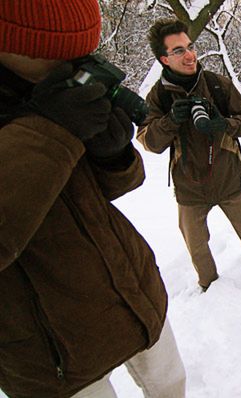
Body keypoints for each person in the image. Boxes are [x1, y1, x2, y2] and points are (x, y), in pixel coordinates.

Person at [0, 1, 186, 397]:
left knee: (171, 385)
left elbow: (104, 192)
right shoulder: (48, 106)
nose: (76, 66)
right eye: (59, 53)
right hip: (51, 349)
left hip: (132, 296)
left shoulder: (52, 87)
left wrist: (113, 155)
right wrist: (49, 131)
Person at [138, 19, 241, 292]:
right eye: (179, 51)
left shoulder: (218, 85)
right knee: (196, 247)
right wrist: (170, 120)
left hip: (230, 178)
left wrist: (225, 125)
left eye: (190, 47)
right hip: (189, 187)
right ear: (164, 59)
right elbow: (147, 141)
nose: (190, 55)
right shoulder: (158, 96)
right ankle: (210, 292)